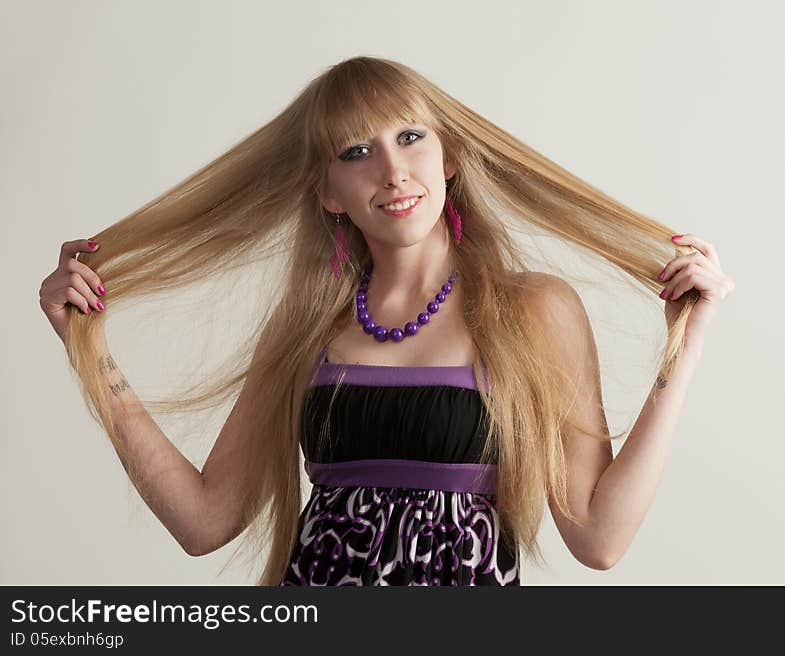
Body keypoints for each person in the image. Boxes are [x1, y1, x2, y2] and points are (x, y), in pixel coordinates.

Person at [38, 56, 734, 586]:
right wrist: (87, 348)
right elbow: (204, 520)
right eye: (356, 151)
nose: (393, 171)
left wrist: (685, 348)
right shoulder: (308, 325)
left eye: (409, 137)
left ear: (450, 156)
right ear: (328, 192)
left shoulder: (535, 311)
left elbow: (599, 539)